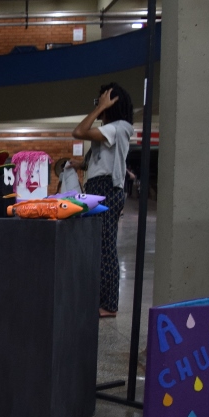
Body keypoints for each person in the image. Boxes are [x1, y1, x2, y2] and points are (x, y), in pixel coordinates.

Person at [73, 83, 134, 318]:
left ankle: (109, 305)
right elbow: (99, 161)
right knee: (99, 246)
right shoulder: (110, 130)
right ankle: (101, 299)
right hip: (98, 187)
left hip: (106, 188)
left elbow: (79, 131)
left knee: (106, 247)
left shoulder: (119, 128)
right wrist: (80, 165)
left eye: (100, 101)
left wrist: (99, 108)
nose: (97, 104)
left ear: (111, 103)